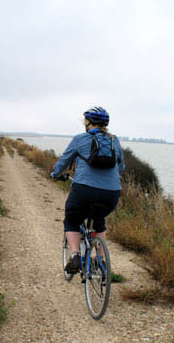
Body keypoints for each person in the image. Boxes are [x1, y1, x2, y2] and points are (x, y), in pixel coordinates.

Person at [50, 106, 125, 273]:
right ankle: (102, 261)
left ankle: (75, 255)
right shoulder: (115, 141)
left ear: (88, 123)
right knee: (99, 221)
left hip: (84, 190)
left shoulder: (79, 139)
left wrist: (54, 174)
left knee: (71, 220)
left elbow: (63, 161)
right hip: (112, 193)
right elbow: (121, 168)